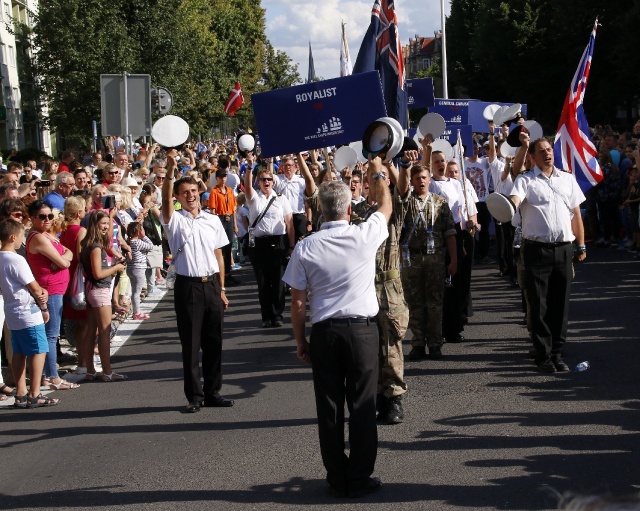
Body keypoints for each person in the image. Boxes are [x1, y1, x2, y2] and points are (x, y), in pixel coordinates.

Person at [283, 161, 391, 498]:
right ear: (348, 208)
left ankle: (336, 476)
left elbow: (298, 302)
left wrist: (301, 340)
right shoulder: (362, 235)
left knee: (329, 407)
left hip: (325, 332)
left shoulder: (305, 246)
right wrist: (378, 175)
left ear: (320, 209)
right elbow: (386, 206)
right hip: (361, 331)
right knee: (362, 405)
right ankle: (359, 476)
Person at [160, 150, 234, 413]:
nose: (190, 195)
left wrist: (222, 288)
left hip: (212, 285)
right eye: (185, 192)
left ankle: (214, 392)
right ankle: (194, 396)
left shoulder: (212, 220)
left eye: (194, 191)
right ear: (179, 197)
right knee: (191, 345)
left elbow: (219, 256)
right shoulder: (174, 221)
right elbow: (165, 200)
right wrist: (170, 170)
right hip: (188, 286)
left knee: (214, 342)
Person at [508, 137, 586, 372]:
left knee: (559, 304)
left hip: (563, 249)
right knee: (538, 303)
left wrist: (580, 245)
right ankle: (542, 356)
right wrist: (505, 205)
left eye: (549, 149)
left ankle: (557, 353)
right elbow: (514, 201)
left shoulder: (567, 179)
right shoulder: (526, 180)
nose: (547, 154)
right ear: (532, 157)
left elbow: (576, 214)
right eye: (541, 151)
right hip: (536, 250)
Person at [397, 164, 458, 361]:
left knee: (435, 302)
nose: (421, 181)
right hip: (411, 258)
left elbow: (449, 233)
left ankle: (435, 343)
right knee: (415, 302)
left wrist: (454, 259)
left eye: (424, 177)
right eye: (417, 179)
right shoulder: (406, 202)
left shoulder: (440, 202)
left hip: (435, 258)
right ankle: (417, 343)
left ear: (429, 179)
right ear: (412, 182)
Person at [0, 218, 59, 408]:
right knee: (39, 350)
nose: (22, 241)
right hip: (26, 310)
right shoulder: (16, 259)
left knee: (18, 351)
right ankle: (34, 393)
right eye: (21, 237)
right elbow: (34, 287)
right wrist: (43, 299)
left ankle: (21, 392)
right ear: (12, 237)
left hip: (11, 309)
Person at [26, 200, 79, 391]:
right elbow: (65, 261)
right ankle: (52, 376)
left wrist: (65, 256)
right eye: (42, 216)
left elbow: (69, 253)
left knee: (50, 334)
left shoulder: (46, 235)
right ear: (32, 218)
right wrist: (64, 257)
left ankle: (45, 375)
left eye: (50, 216)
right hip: (50, 289)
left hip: (56, 288)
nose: (47, 220)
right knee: (51, 335)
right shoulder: (39, 238)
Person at [244, 154, 295, 328]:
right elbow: (247, 187)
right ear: (258, 182)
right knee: (263, 282)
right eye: (263, 180)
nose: (266, 182)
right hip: (259, 244)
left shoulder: (281, 199)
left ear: (273, 182)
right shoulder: (254, 199)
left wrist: (291, 245)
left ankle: (277, 314)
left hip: (278, 242)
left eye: (269, 179)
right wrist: (250, 167)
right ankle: (266, 316)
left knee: (279, 281)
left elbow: (289, 224)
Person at [80, 210, 128, 381]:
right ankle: (107, 371)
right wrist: (115, 268)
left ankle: (91, 370)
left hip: (93, 290)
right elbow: (98, 273)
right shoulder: (95, 247)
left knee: (92, 331)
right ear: (95, 225)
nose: (107, 227)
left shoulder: (90, 244)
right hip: (99, 291)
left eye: (108, 224)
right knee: (104, 332)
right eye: (103, 224)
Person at [208, 167, 239, 285]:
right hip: (219, 219)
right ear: (217, 178)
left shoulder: (230, 191)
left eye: (225, 176)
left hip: (229, 218)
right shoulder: (214, 192)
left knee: (229, 246)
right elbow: (213, 210)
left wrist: (235, 224)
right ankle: (220, 274)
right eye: (221, 177)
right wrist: (215, 225)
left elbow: (234, 209)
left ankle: (227, 274)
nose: (223, 179)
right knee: (220, 248)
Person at [126, 221, 153, 320]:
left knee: (134, 291)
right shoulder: (138, 242)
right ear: (138, 232)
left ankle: (136, 311)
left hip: (130, 268)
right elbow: (150, 246)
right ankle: (137, 312)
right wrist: (144, 236)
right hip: (139, 268)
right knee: (136, 292)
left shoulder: (129, 241)